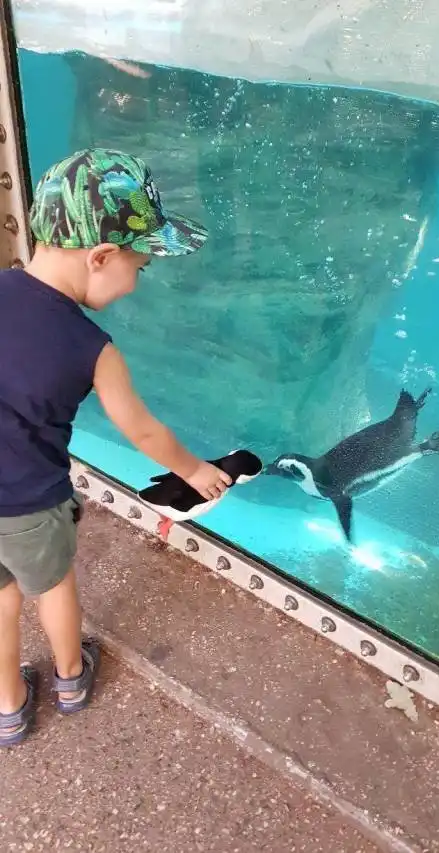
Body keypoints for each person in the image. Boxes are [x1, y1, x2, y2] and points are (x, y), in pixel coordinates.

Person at [0, 148, 232, 746]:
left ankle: (9, 706)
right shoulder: (93, 348)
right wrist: (195, 471)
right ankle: (71, 678)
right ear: (100, 257)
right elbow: (142, 431)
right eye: (141, 267)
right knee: (53, 588)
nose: (137, 282)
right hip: (32, 506)